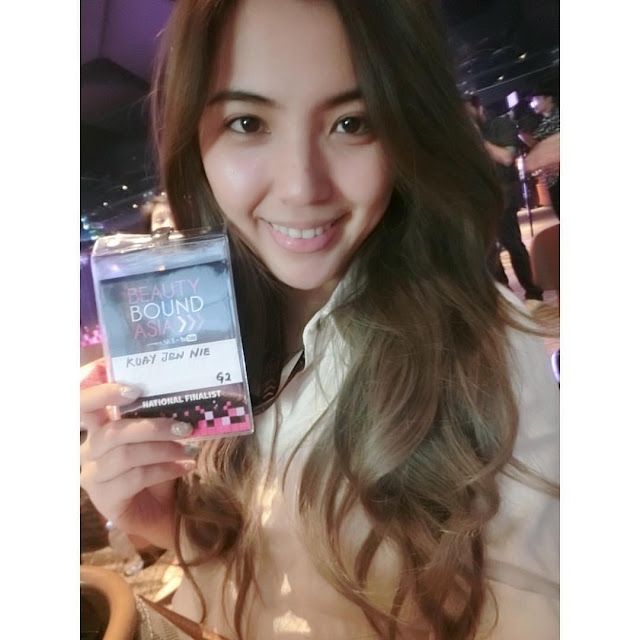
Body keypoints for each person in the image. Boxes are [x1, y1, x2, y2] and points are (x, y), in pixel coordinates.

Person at [80, 1, 559, 639]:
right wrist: (169, 524)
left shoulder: (491, 357)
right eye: (248, 122)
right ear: (195, 137)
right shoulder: (207, 333)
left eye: (351, 122)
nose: (302, 187)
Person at [463, 94, 545, 309]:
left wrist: (477, 139)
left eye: (465, 110)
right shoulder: (461, 135)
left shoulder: (500, 125)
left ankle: (534, 293)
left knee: (512, 244)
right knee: (488, 249)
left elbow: (506, 158)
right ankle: (505, 293)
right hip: (476, 197)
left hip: (503, 195)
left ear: (477, 107)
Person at [521, 88, 560, 218]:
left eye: (536, 99)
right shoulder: (543, 123)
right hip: (552, 178)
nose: (533, 104)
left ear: (549, 98)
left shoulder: (557, 118)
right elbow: (537, 145)